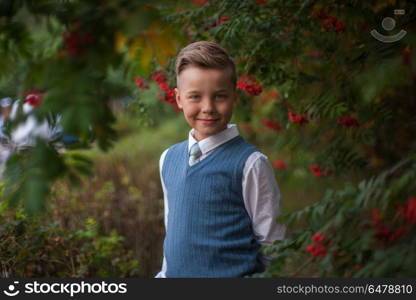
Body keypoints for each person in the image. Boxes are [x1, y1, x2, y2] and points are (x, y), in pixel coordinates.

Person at [155, 41, 286, 278]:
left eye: (220, 97)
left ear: (234, 97)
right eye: (195, 96)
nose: (208, 108)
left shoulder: (250, 164)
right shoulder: (168, 159)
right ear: (178, 99)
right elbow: (172, 230)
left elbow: (273, 244)